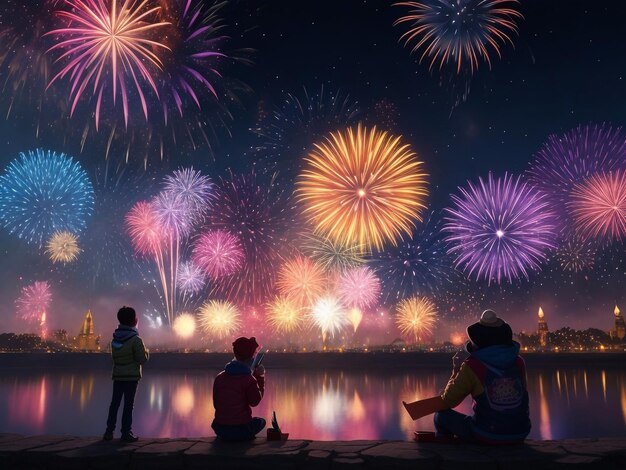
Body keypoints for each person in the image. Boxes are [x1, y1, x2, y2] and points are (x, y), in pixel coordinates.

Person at [432, 309, 531, 443]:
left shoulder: (473, 366)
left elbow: (448, 402)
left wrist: (455, 371)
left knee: (441, 416)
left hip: (487, 433)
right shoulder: (519, 362)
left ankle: (448, 453)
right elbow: (522, 395)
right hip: (521, 432)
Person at [103, 306, 149, 443]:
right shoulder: (136, 340)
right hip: (131, 378)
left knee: (114, 404)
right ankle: (126, 433)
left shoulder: (114, 339)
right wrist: (147, 351)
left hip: (118, 376)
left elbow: (114, 358)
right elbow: (142, 359)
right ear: (135, 321)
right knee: (128, 405)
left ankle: (108, 431)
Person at [212, 336, 266, 441]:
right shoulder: (249, 379)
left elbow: (216, 404)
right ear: (251, 358)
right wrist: (260, 378)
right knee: (261, 421)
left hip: (220, 428)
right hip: (240, 429)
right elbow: (255, 402)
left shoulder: (220, 377)